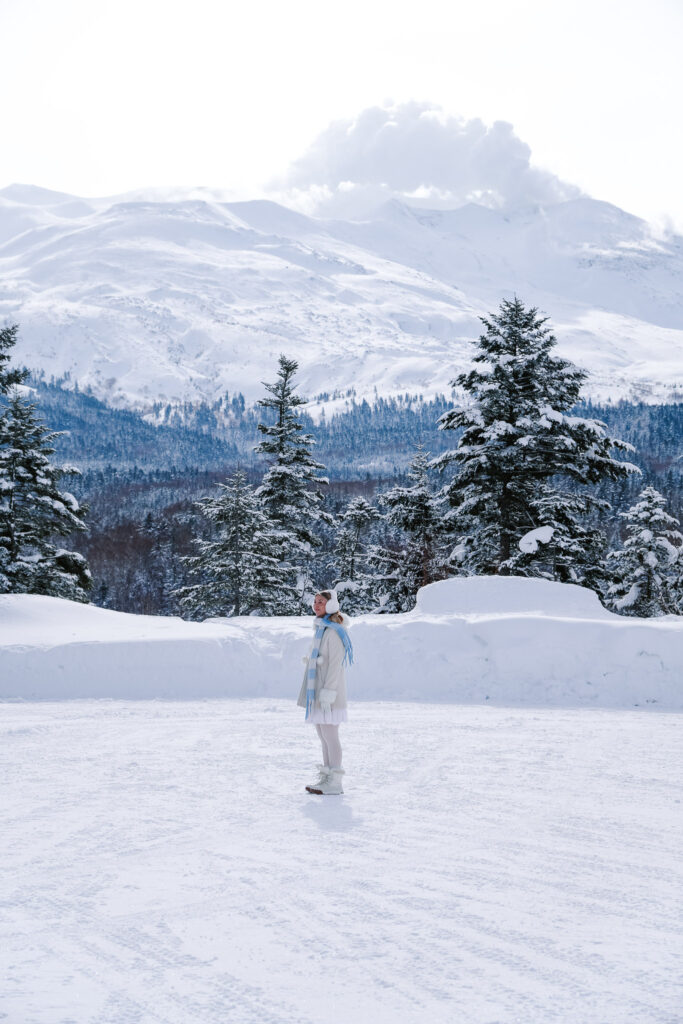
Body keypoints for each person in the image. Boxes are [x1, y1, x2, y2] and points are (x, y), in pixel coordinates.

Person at [297, 589, 352, 795]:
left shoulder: (335, 632)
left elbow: (335, 665)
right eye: (315, 602)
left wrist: (328, 692)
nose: (316, 605)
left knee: (330, 734)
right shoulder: (321, 630)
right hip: (319, 692)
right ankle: (327, 776)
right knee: (323, 735)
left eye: (321, 602)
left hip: (330, 693)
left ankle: (335, 781)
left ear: (331, 606)